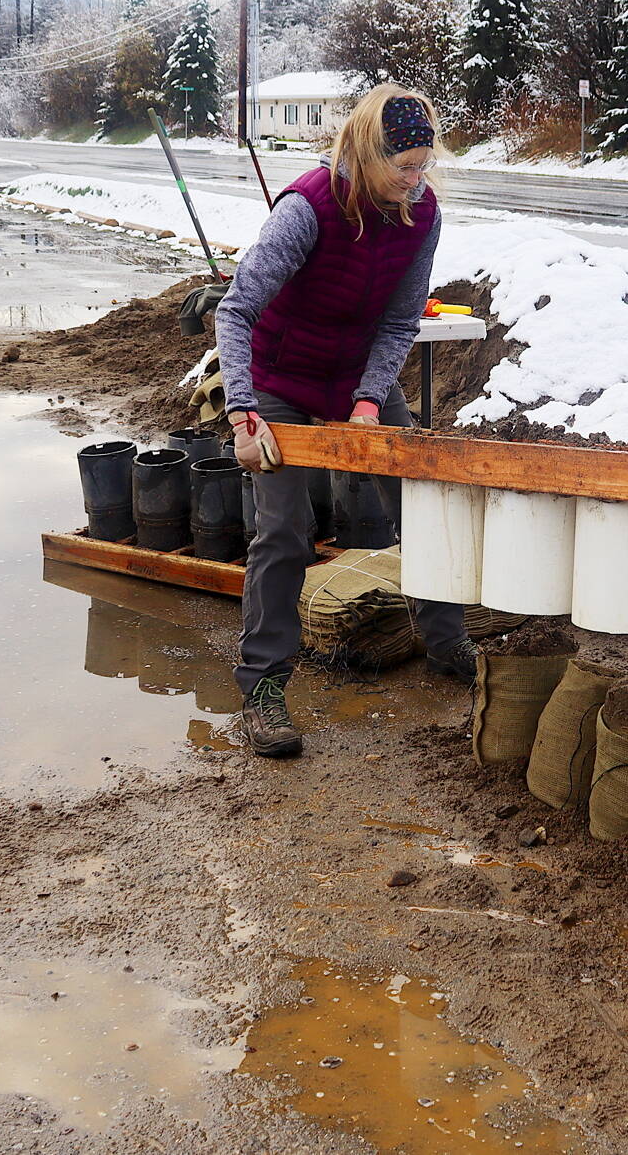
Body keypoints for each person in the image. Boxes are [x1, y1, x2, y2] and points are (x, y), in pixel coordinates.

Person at [213, 84, 476, 759]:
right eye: (404, 167)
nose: (416, 180)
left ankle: (446, 642)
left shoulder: (422, 215)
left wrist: (368, 398)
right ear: (368, 152)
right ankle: (263, 689)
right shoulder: (307, 209)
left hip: (357, 375)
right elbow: (235, 310)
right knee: (284, 529)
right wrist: (243, 406)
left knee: (417, 496)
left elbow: (398, 320)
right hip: (280, 382)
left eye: (424, 165)